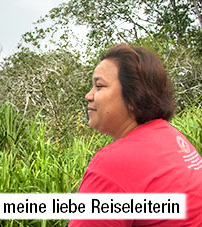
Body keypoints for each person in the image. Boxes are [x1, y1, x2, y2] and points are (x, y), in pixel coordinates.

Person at [71, 44, 202, 226]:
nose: (88, 95)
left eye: (99, 86)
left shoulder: (113, 164)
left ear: (134, 97)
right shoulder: (173, 139)